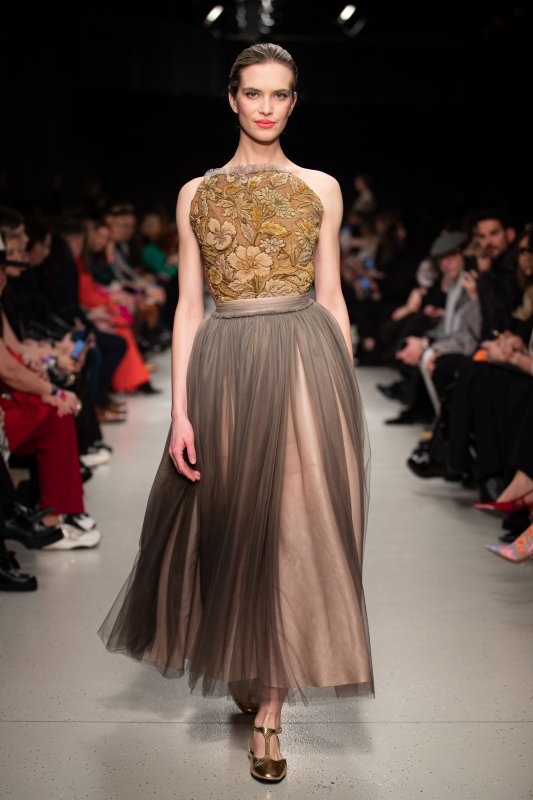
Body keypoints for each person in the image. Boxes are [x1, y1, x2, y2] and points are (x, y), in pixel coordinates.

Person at [96, 43, 374, 783]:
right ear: (231, 98)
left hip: (303, 359)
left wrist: (343, 392)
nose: (266, 107)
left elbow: (332, 296)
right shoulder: (195, 193)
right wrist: (180, 412)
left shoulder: (321, 187)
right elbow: (188, 307)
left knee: (291, 528)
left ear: (294, 102)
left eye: (279, 94)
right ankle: (249, 662)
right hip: (224, 363)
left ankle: (270, 714)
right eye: (254, 93)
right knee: (231, 524)